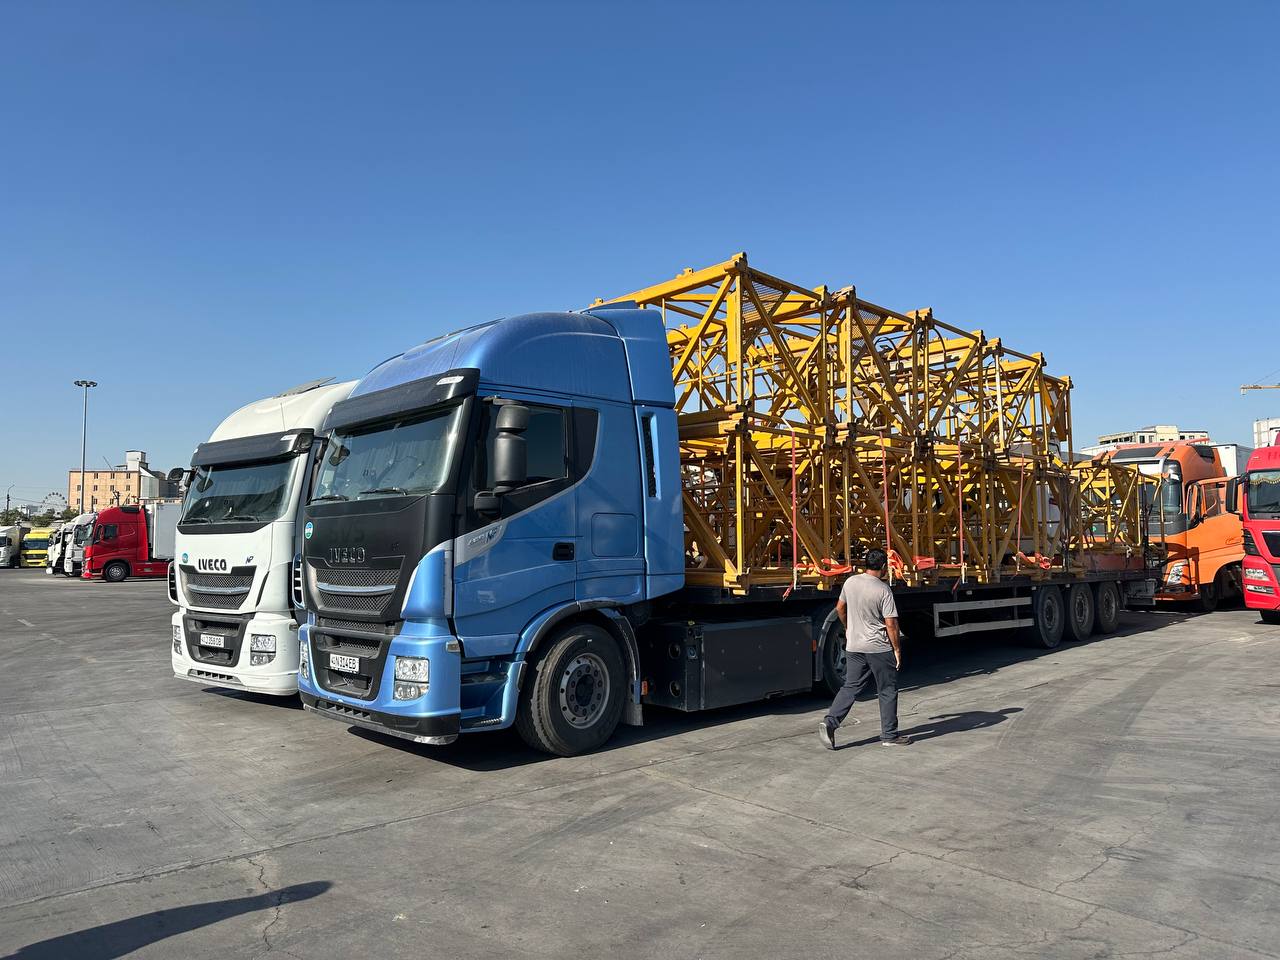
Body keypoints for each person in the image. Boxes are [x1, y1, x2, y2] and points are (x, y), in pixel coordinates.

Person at [819, 547, 912, 749]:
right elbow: (891, 624)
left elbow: (839, 608)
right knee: (887, 690)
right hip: (878, 648)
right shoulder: (883, 590)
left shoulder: (850, 582)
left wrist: (848, 627)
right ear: (883, 567)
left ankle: (830, 722)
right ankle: (889, 735)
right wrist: (897, 649)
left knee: (850, 687)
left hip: (854, 646)